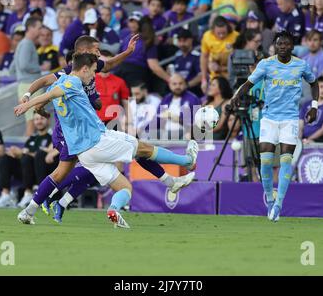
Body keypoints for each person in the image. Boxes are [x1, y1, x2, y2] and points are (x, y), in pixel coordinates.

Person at [16, 35, 194, 223]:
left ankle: (110, 209)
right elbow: (50, 90)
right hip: (94, 139)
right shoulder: (71, 81)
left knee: (124, 186)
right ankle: (186, 161)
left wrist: (39, 107)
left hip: (83, 148)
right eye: (93, 69)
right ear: (85, 63)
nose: (95, 75)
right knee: (143, 149)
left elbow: (52, 93)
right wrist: (28, 102)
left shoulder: (66, 81)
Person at [231, 31, 318, 222]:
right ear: (275, 46)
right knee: (266, 162)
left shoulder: (300, 65)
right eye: (279, 44)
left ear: (292, 47)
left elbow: (314, 83)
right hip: (269, 118)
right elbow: (249, 83)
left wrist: (314, 106)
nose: (282, 47)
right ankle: (269, 200)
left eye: (286, 44)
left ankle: (278, 205)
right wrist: (236, 96)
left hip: (290, 119)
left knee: (286, 161)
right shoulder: (266, 64)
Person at [0, 113, 56, 208]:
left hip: (44, 172)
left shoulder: (53, 136)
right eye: (36, 119)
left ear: (48, 120)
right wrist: (14, 153)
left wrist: (23, 153)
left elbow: (46, 154)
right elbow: (24, 155)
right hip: (27, 172)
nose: (39, 121)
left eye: (41, 118)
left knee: (28, 157)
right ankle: (6, 195)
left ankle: (29, 194)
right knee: (5, 158)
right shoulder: (32, 138)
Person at [10, 17, 43, 136]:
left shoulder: (23, 43)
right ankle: (27, 151)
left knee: (32, 120)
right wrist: (40, 68)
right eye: (39, 28)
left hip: (25, 85)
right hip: (30, 85)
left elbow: (12, 67)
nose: (40, 31)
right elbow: (23, 65)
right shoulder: (27, 43)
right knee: (32, 121)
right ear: (30, 28)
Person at [157, 73, 201, 140]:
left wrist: (179, 120)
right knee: (145, 135)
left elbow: (197, 122)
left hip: (184, 131)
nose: (177, 86)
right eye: (174, 84)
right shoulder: (166, 99)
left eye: (180, 83)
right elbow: (158, 116)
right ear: (169, 85)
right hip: (165, 130)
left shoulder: (193, 99)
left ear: (185, 84)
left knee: (167, 136)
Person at [200, 16, 239, 93]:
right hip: (214, 76)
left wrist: (221, 68)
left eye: (223, 33)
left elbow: (239, 60)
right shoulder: (207, 36)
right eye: (218, 33)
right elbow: (204, 57)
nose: (221, 35)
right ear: (213, 30)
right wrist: (204, 79)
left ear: (228, 28)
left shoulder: (236, 36)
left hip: (231, 76)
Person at [299, 76, 323, 143]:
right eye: (321, 87)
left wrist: (308, 139)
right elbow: (300, 126)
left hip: (320, 139)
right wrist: (299, 141)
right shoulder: (306, 105)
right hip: (304, 139)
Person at [173, 29, 202, 96]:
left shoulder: (197, 56)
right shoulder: (177, 56)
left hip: (194, 92)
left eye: (184, 41)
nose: (182, 44)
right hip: (179, 92)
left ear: (191, 40)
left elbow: (201, 75)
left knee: (196, 106)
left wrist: (187, 85)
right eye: (180, 41)